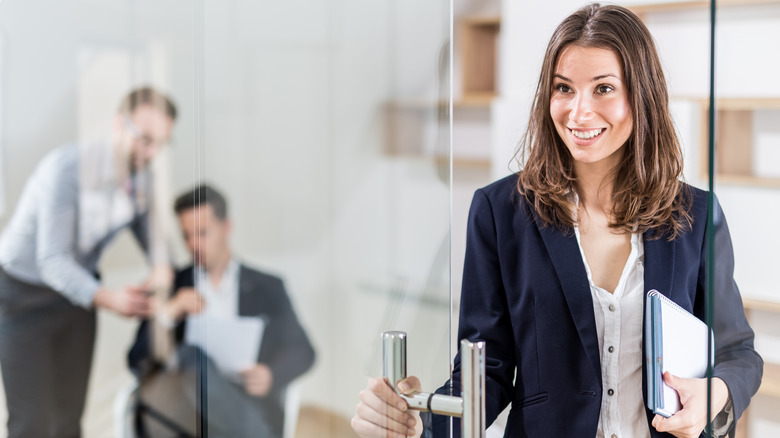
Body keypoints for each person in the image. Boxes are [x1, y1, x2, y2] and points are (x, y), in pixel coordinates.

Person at [351, 4, 762, 438]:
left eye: (603, 88)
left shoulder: (696, 215)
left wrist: (713, 395)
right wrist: (420, 421)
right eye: (564, 88)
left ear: (641, 97)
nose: (578, 112)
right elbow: (484, 369)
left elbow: (737, 352)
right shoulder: (500, 212)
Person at [0, 86, 176, 438]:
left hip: (77, 300)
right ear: (118, 124)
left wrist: (162, 270)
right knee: (30, 421)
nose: (151, 152)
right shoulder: (64, 170)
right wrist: (111, 299)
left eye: (161, 143)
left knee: (69, 419)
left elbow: (157, 246)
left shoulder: (143, 177)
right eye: (145, 139)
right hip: (21, 297)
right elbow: (52, 261)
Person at [128, 183, 316, 438]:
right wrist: (169, 314)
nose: (193, 244)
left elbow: (303, 350)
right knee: (190, 357)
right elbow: (135, 360)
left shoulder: (267, 287)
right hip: (184, 409)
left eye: (203, 233)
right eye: (186, 235)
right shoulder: (173, 287)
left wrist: (271, 375)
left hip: (241, 402)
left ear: (227, 227)